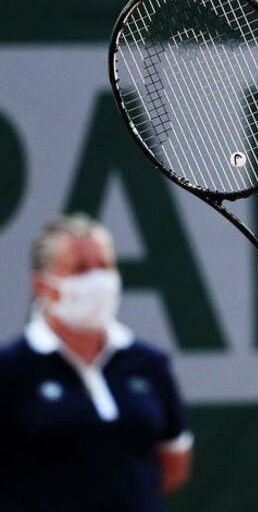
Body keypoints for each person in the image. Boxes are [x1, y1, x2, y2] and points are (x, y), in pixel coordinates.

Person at [0, 213, 193, 512]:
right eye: (80, 268)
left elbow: (173, 465)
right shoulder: (10, 368)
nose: (97, 279)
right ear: (41, 286)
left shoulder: (150, 364)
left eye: (104, 266)